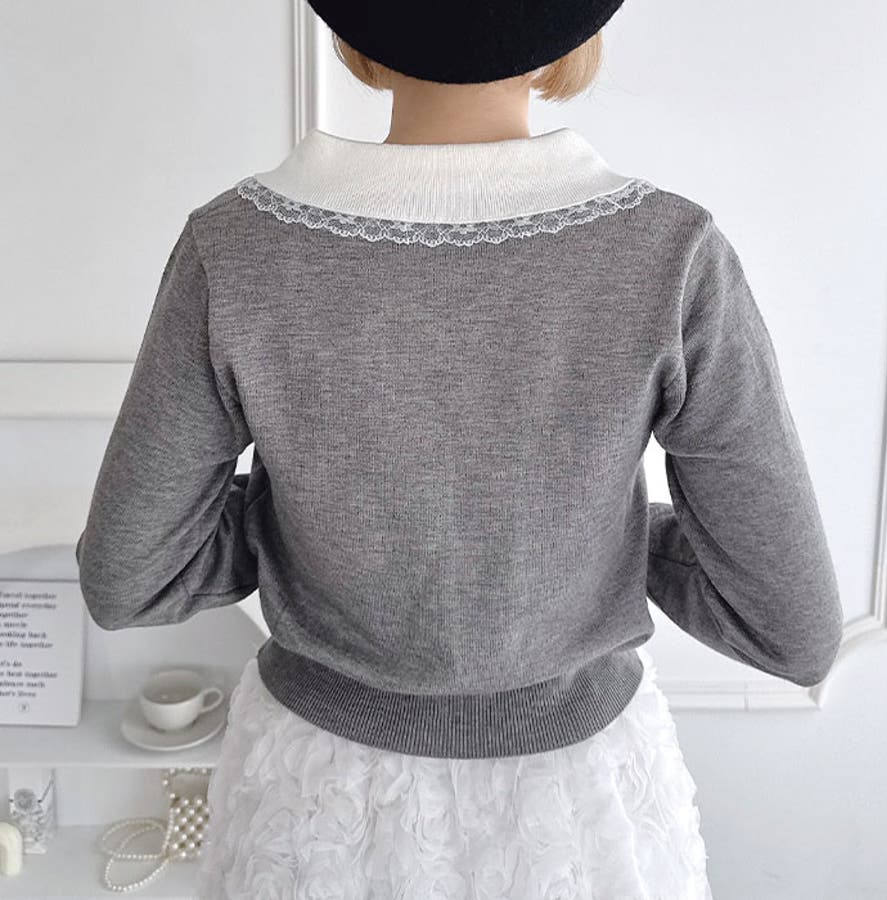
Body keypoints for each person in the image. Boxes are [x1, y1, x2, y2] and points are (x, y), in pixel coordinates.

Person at [75, 1, 844, 897]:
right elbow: (793, 628)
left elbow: (130, 576)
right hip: (577, 806)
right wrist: (594, 540)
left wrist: (307, 528)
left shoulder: (235, 249)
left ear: (356, 29)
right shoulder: (671, 255)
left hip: (317, 801)